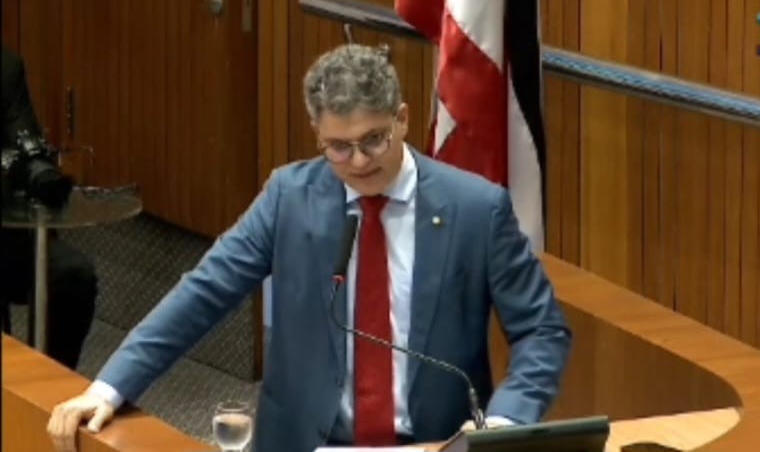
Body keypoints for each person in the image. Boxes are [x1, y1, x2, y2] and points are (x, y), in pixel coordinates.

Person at [46, 44, 571, 452]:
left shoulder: (476, 209)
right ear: (317, 134)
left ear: (403, 118)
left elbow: (541, 330)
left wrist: (504, 424)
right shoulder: (289, 198)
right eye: (339, 147)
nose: (359, 161)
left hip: (435, 444)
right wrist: (108, 388)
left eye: (374, 139)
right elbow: (202, 294)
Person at [1, 45, 98, 370]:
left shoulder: (6, 67)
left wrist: (39, 175)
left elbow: (25, 145)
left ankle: (46, 385)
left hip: (7, 234)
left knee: (72, 276)